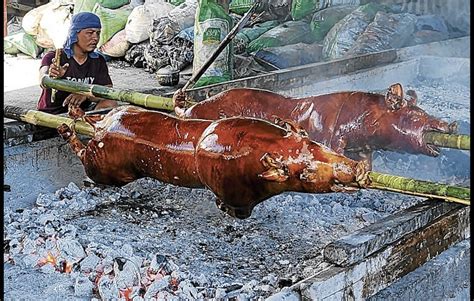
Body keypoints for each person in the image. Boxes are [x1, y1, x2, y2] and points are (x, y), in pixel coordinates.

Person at [37, 12, 117, 114]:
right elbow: (42, 79)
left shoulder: (98, 60)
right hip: (52, 114)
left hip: (80, 113)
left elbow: (108, 90)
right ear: (75, 34)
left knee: (110, 103)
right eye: (90, 33)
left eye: (98, 33)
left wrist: (86, 95)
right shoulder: (54, 57)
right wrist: (52, 77)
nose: (95, 38)